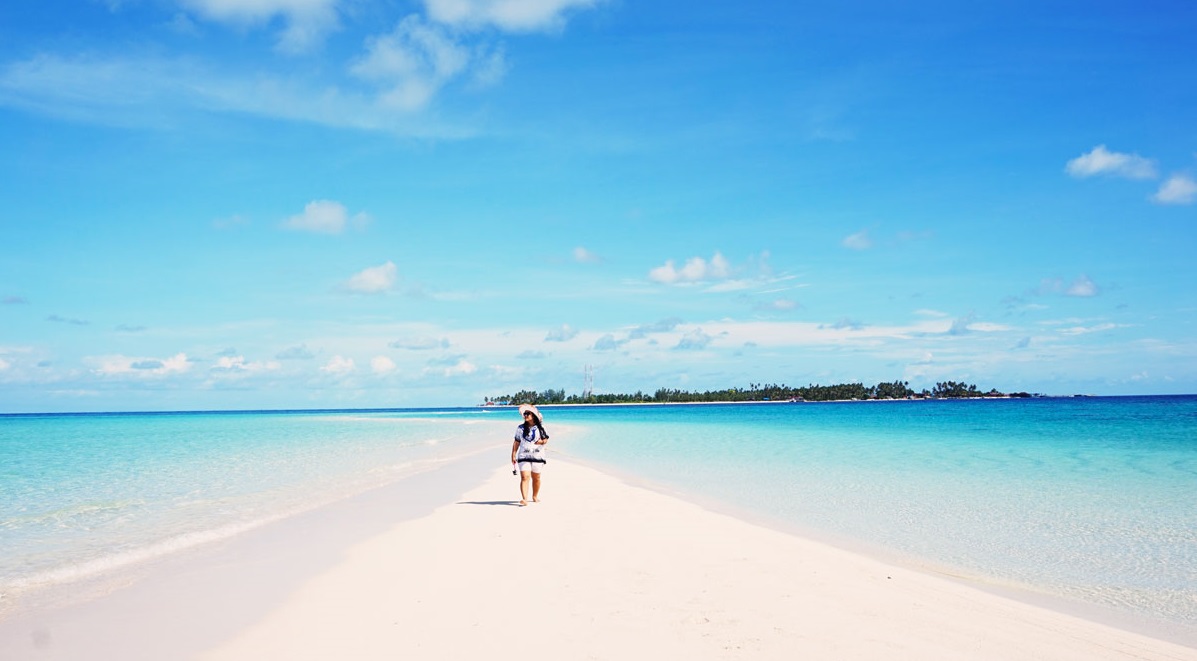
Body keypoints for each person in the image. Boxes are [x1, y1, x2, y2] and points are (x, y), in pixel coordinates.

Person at [510, 403, 550, 506]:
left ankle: (535, 496)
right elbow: (516, 442)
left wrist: (541, 442)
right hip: (523, 455)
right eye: (525, 414)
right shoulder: (520, 428)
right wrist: (513, 454)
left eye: (528, 413)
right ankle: (524, 499)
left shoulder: (541, 428)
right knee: (525, 477)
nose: (525, 415)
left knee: (536, 477)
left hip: (537, 456)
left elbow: (546, 439)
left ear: (534, 416)